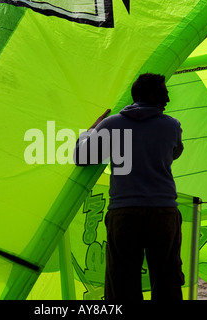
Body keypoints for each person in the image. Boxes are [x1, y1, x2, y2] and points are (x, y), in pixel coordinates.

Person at [74, 73, 184, 300]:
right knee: (167, 278)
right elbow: (175, 153)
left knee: (122, 281)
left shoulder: (112, 124)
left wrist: (91, 130)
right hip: (163, 212)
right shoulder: (171, 126)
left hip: (124, 214)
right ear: (152, 95)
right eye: (165, 93)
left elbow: (81, 157)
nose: (168, 100)